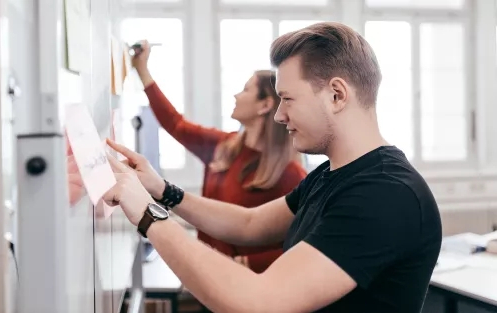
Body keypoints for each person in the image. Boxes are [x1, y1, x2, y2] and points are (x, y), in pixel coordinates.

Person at [104, 22, 442, 313]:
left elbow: (259, 302)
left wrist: (148, 215)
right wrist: (162, 191)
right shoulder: (332, 175)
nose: (279, 116)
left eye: (288, 98)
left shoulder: (384, 194)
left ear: (337, 95)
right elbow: (250, 224)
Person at [131, 41, 307, 274]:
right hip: (207, 275)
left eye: (245, 90)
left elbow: (304, 245)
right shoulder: (223, 146)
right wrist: (143, 71)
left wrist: (244, 264)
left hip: (247, 288)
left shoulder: (290, 174)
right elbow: (175, 123)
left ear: (264, 105)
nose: (236, 95)